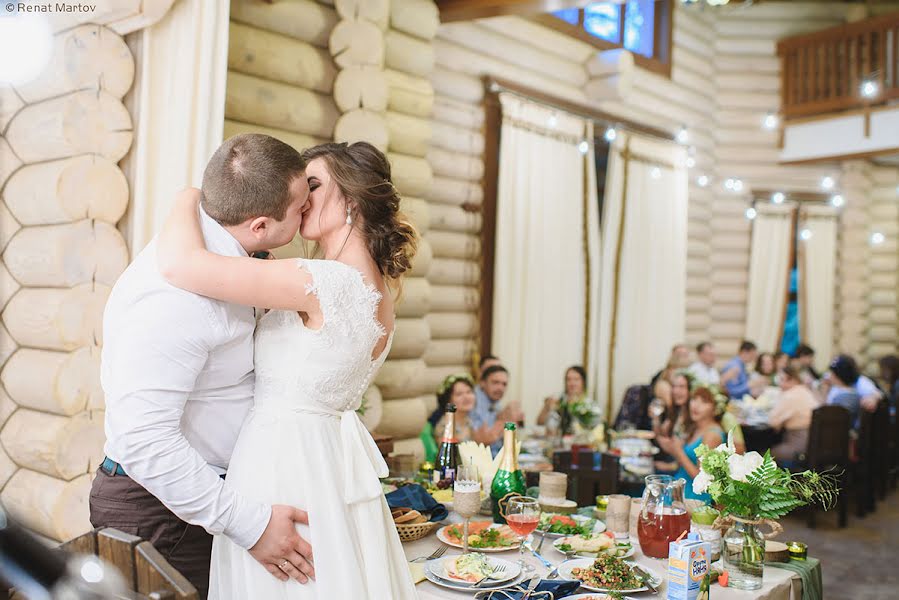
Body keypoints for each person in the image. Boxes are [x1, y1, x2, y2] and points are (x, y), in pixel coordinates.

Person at [156, 140, 419, 599]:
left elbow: (181, 265)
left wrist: (188, 195)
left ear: (352, 199)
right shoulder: (377, 291)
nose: (302, 199)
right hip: (328, 467)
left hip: (282, 467)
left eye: (314, 185)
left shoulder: (322, 282)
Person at [91, 134, 315, 598]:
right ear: (258, 225)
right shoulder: (175, 300)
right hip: (161, 512)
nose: (307, 210)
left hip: (201, 501)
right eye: (300, 206)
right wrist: (250, 525)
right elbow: (144, 441)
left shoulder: (219, 247)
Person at [656, 387, 725, 503]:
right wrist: (672, 449)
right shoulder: (697, 428)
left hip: (693, 498)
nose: (696, 405)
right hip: (679, 488)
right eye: (694, 399)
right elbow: (685, 460)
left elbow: (701, 478)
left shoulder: (712, 435)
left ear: (715, 408)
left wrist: (679, 452)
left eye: (704, 402)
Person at [768, 366, 819, 463]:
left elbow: (772, 422)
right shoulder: (805, 391)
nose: (780, 384)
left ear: (793, 379)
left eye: (782, 379)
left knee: (759, 455)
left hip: (798, 446)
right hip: (814, 445)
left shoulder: (790, 395)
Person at [470, 365, 521, 455]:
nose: (500, 388)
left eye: (504, 384)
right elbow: (481, 441)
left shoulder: (495, 401)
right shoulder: (473, 401)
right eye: (495, 382)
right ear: (482, 383)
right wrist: (504, 420)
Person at [536, 366, 588, 434]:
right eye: (568, 379)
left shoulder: (589, 405)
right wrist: (546, 408)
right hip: (551, 442)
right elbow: (539, 423)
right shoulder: (556, 399)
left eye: (576, 379)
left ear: (583, 382)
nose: (572, 383)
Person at [431, 374, 477, 445]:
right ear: (448, 400)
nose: (466, 397)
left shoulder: (469, 420)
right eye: (459, 394)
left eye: (469, 392)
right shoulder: (445, 427)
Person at [822, 355, 863, 429]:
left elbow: (830, 417)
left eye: (832, 373)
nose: (829, 376)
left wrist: (824, 392)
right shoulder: (836, 389)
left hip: (837, 435)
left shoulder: (848, 396)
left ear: (838, 374)